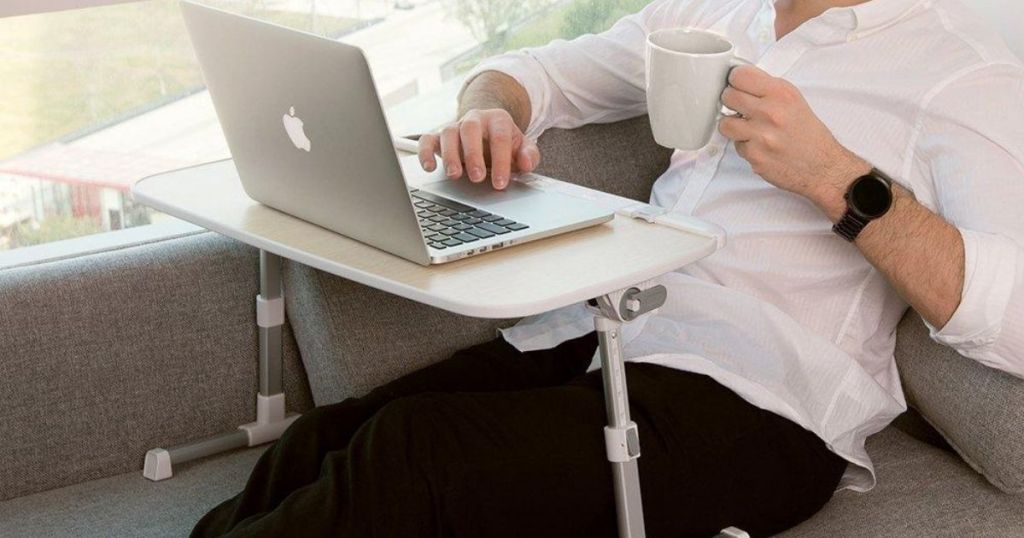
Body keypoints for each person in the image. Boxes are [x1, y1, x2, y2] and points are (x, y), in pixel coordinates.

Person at [193, 0, 1024, 535]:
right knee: (324, 437)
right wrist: (486, 112)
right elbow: (539, 76)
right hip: (608, 328)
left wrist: (835, 178)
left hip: (763, 401)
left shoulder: (963, 69)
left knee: (415, 456)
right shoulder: (715, 15)